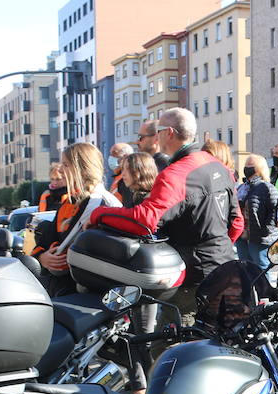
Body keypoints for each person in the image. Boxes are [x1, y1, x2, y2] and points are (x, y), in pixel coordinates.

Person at [89, 107, 243, 318]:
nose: (156, 136)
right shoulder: (218, 166)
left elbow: (146, 220)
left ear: (169, 132)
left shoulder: (176, 173)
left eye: (158, 130)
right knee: (224, 336)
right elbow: (236, 223)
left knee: (169, 346)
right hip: (224, 265)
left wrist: (100, 214)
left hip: (193, 276)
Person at [34, 142, 120, 295]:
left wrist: (46, 258)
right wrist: (41, 256)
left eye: (66, 165)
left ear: (82, 167)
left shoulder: (96, 200)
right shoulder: (72, 200)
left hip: (87, 287)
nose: (62, 170)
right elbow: (51, 235)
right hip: (69, 282)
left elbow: (65, 245)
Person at [237, 153, 278, 272]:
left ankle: (266, 291)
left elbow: (274, 211)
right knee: (245, 271)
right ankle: (249, 291)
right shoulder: (241, 188)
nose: (247, 168)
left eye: (251, 165)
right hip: (242, 237)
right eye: (246, 165)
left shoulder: (267, 187)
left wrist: (266, 231)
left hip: (260, 238)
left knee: (262, 270)